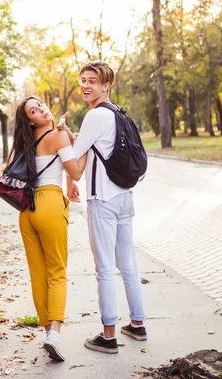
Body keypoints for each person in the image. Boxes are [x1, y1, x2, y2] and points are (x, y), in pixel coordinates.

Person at [59, 61, 146, 355]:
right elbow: (89, 146)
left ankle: (108, 335)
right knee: (128, 264)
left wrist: (60, 137)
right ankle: (137, 323)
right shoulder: (117, 112)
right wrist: (72, 137)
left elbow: (74, 163)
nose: (85, 85)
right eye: (83, 80)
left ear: (106, 85)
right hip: (124, 197)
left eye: (92, 81)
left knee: (105, 268)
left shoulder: (95, 116)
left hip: (103, 201)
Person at [9, 96, 87, 361]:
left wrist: (64, 133)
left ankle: (47, 332)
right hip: (50, 204)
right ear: (30, 120)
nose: (42, 109)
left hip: (27, 211)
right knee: (57, 271)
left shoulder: (28, 142)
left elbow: (54, 167)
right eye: (34, 110)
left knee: (38, 273)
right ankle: (55, 332)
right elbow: (76, 171)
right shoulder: (57, 137)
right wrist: (83, 147)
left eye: (40, 104)